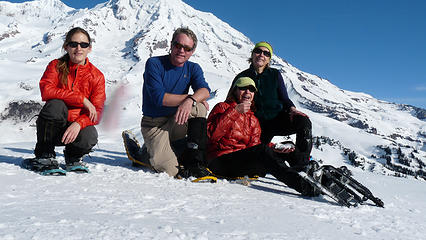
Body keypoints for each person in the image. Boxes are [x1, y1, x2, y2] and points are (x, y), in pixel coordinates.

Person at [206, 77, 318, 196]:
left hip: (242, 163)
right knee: (262, 151)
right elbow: (212, 136)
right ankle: (302, 185)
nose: (247, 92)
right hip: (220, 162)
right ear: (235, 90)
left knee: (288, 148)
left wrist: (274, 147)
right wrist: (234, 111)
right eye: (243, 88)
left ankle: (311, 174)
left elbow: (254, 146)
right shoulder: (222, 107)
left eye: (251, 89)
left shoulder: (252, 119)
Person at [140, 27, 211, 178]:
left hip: (176, 120)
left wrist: (191, 100)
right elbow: (160, 98)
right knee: (171, 170)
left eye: (187, 48)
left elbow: (205, 91)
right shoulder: (154, 63)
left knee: (199, 108)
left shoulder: (193, 68)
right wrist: (189, 97)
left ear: (192, 51)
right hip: (154, 125)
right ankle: (146, 153)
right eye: (178, 45)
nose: (181, 51)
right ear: (171, 45)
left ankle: (194, 157)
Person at [32, 27, 106, 171]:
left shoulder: (97, 76)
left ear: (89, 48)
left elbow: (97, 111)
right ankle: (44, 154)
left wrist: (79, 123)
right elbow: (46, 91)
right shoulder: (55, 66)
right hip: (52, 127)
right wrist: (82, 99)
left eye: (83, 44)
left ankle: (73, 157)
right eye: (74, 44)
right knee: (56, 105)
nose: (78, 48)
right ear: (66, 47)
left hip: (74, 129)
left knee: (90, 135)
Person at [233, 42, 312, 168]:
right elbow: (231, 100)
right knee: (259, 159)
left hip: (278, 119)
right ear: (252, 54)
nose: (261, 55)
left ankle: (302, 163)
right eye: (258, 51)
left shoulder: (275, 74)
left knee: (303, 122)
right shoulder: (242, 76)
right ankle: (288, 152)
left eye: (266, 53)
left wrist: (293, 110)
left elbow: (284, 98)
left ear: (269, 58)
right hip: (257, 125)